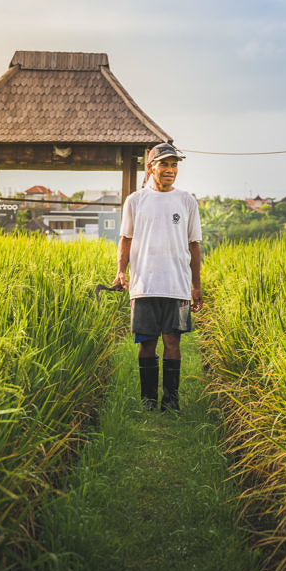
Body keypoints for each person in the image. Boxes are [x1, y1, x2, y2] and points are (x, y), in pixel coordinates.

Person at [112, 142, 203, 412]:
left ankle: (171, 401)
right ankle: (149, 400)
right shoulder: (136, 201)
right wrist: (121, 271)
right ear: (151, 167)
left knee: (173, 342)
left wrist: (196, 286)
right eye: (164, 164)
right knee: (147, 343)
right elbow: (125, 239)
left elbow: (194, 245)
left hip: (177, 286)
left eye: (174, 165)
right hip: (144, 285)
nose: (170, 170)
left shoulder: (186, 200)